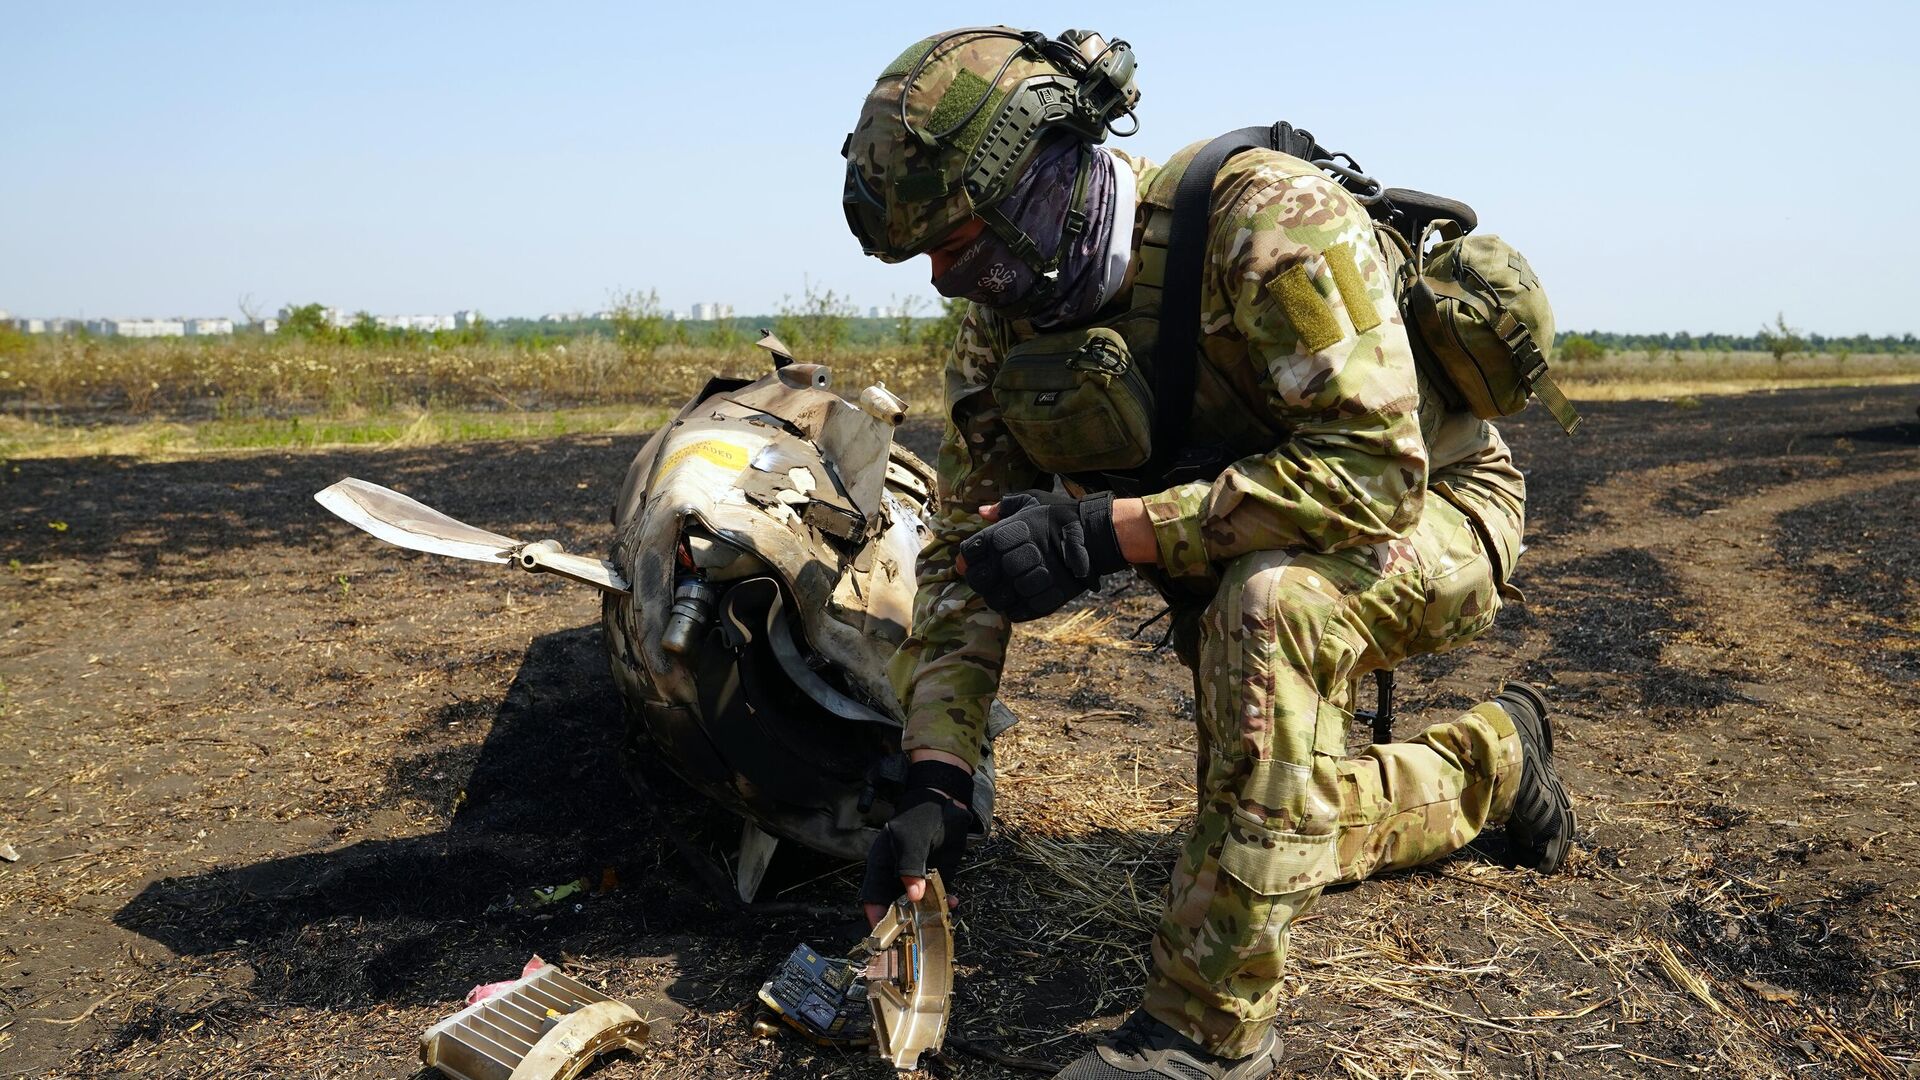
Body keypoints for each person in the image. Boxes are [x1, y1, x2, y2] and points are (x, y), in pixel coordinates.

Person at [843, 27, 1575, 1080]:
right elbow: (968, 555)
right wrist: (938, 776)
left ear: (1044, 174)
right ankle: (1497, 763)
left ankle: (1205, 1034)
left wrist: (1109, 532)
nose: (948, 281)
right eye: (928, 258)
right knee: (1272, 830)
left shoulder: (1265, 220)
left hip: (1432, 514)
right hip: (1258, 536)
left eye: (958, 241)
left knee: (1265, 609)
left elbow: (1376, 478)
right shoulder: (1008, 321)